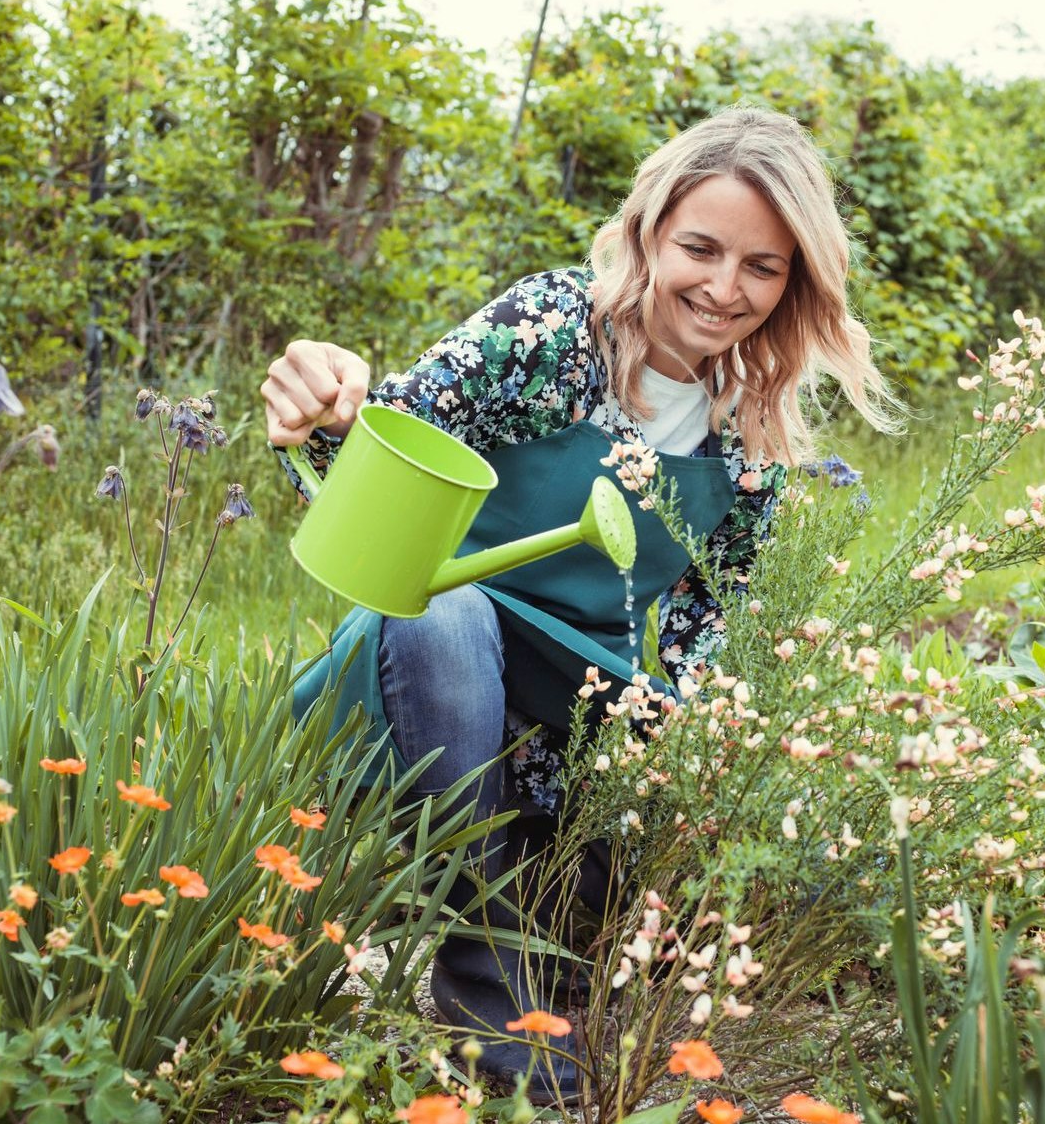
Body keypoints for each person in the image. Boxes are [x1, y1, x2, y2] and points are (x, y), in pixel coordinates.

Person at [264, 106, 899, 1101]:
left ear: (796, 283)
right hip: (418, 670)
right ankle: (490, 987)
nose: (724, 289)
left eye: (763, 267)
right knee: (452, 613)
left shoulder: (750, 425)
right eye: (701, 247)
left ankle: (556, 961)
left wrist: (695, 759)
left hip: (575, 712)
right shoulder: (555, 330)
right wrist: (324, 400)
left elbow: (706, 632)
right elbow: (376, 455)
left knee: (653, 776)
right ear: (649, 230)